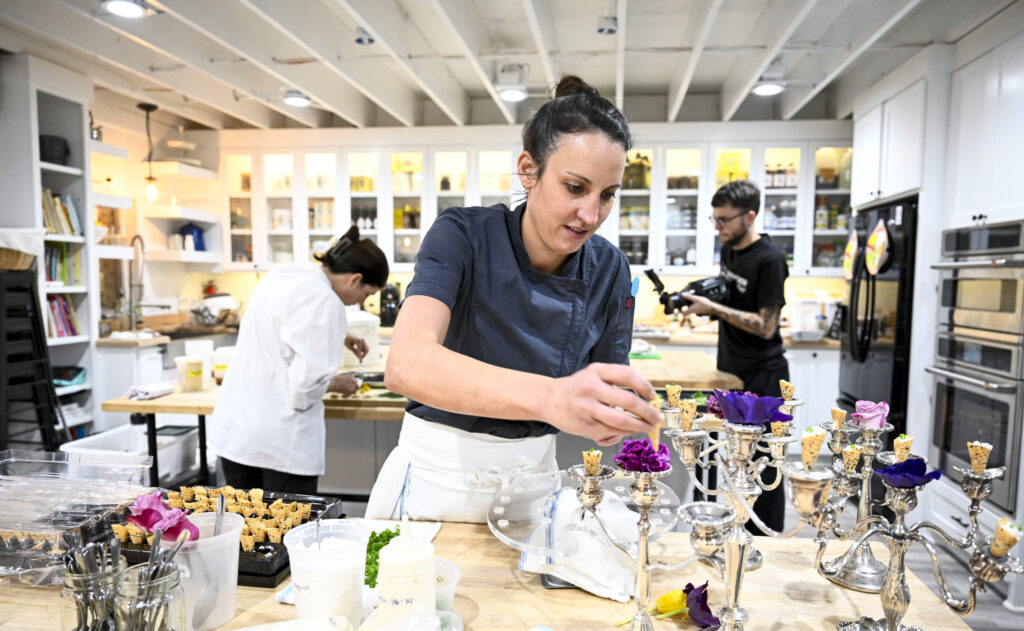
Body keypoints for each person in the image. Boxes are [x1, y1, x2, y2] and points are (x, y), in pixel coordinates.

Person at [366, 75, 661, 523]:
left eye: (608, 195)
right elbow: (407, 364)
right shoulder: (462, 235)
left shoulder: (610, 268)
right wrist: (552, 398)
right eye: (576, 188)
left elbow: (607, 389)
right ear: (529, 170)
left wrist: (611, 416)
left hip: (533, 488)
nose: (591, 215)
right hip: (434, 481)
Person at [209, 226, 388, 494]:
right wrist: (337, 384)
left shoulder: (288, 273)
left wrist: (338, 334)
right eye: (368, 293)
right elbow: (305, 387)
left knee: (247, 530)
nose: (361, 301)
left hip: (239, 430)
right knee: (287, 533)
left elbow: (283, 328)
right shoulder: (326, 303)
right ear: (354, 279)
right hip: (280, 443)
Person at [680, 179, 789, 533]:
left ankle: (766, 539)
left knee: (764, 463)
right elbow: (731, 299)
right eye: (715, 219)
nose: (719, 227)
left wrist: (712, 306)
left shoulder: (770, 260)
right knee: (729, 457)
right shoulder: (730, 250)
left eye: (725, 220)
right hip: (731, 372)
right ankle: (721, 527)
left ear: (750, 216)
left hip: (764, 374)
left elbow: (766, 326)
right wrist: (701, 299)